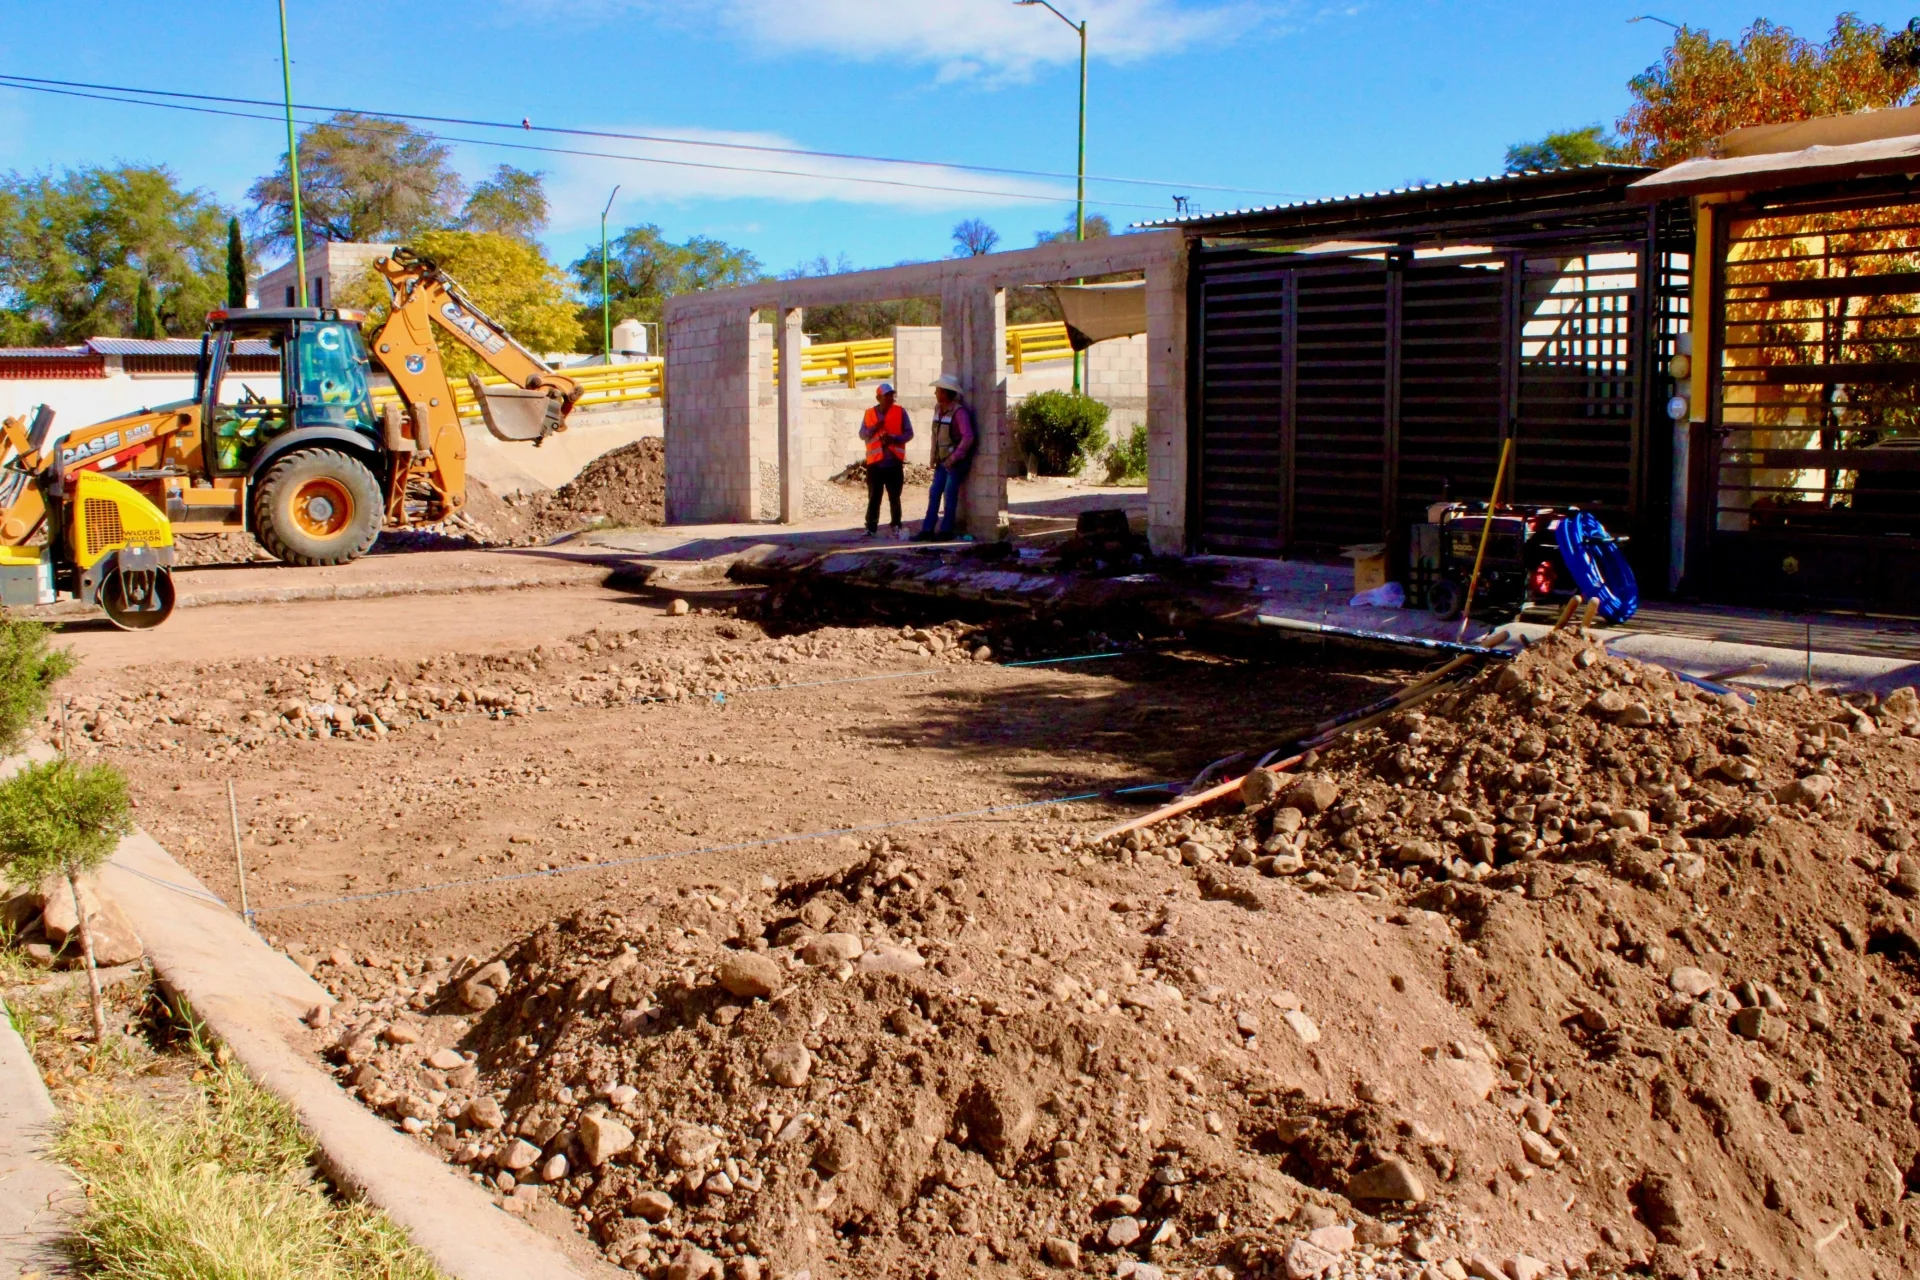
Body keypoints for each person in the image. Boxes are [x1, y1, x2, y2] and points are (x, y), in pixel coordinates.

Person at [916, 373, 975, 540]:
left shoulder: (959, 412)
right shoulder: (938, 409)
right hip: (942, 461)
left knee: (949, 495)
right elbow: (935, 434)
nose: (935, 393)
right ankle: (927, 530)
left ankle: (946, 531)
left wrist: (954, 458)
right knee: (934, 493)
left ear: (945, 392)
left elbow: (968, 437)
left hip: (955, 463)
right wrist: (933, 456)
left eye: (938, 390)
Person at [859, 382, 912, 538]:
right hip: (875, 464)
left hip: (894, 462)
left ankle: (896, 524)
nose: (890, 398)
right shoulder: (869, 414)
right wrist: (875, 427)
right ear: (878, 398)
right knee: (874, 497)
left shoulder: (900, 412)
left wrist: (894, 439)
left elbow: (909, 433)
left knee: (895, 497)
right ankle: (871, 527)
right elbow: (862, 434)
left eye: (891, 395)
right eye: (886, 396)